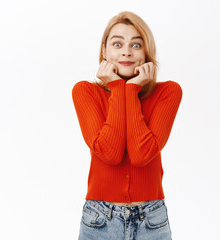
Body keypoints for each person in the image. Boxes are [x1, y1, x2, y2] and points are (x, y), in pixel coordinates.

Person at [72, 11, 182, 240]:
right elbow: (110, 153)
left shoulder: (168, 92)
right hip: (100, 220)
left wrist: (130, 89)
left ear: (146, 52)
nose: (126, 51)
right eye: (117, 44)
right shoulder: (85, 92)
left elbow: (141, 155)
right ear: (104, 51)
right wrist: (118, 88)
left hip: (151, 221)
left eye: (136, 44)